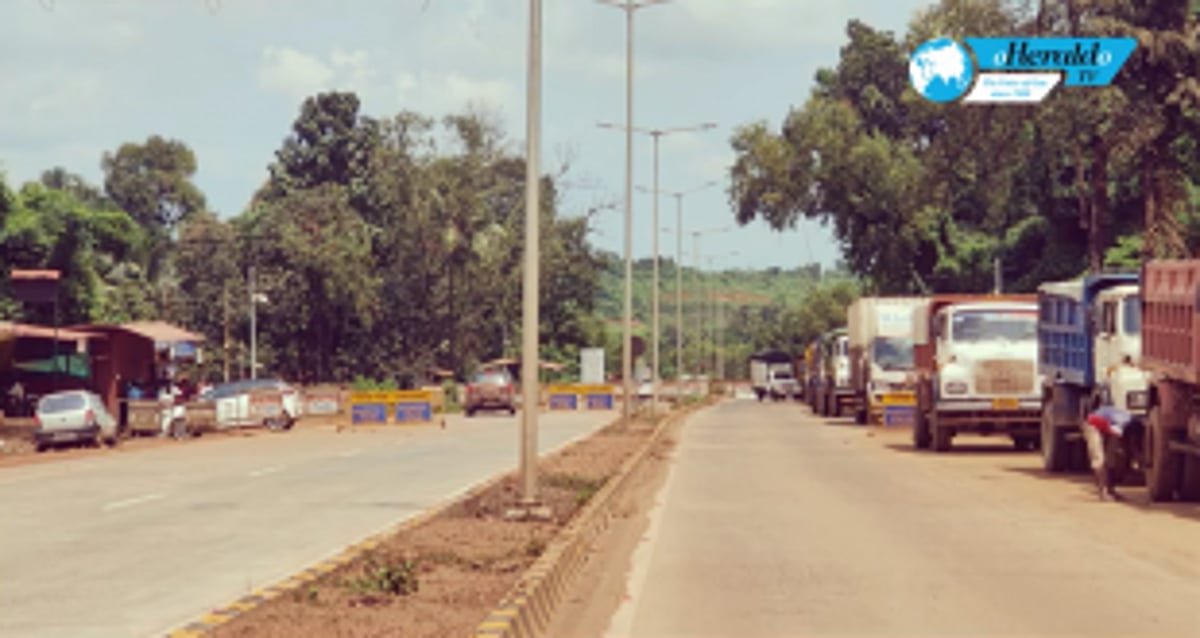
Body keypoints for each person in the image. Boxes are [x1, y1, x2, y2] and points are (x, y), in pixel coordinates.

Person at [1083, 405, 1143, 501]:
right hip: (1092, 425)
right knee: (1099, 459)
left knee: (1111, 460)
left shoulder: (1132, 420)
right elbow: (1130, 444)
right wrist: (1135, 456)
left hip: (1106, 424)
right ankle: (1103, 491)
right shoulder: (1122, 423)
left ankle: (1111, 491)